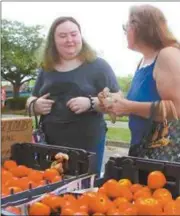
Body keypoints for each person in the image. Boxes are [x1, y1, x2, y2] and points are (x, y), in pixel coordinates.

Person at [26, 16, 121, 175]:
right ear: (53, 41)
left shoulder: (98, 66)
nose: (69, 40)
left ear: (80, 36)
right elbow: (31, 98)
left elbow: (118, 99)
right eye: (62, 36)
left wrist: (91, 103)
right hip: (50, 143)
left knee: (86, 188)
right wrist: (35, 104)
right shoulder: (46, 68)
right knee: (51, 187)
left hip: (88, 142)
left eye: (74, 34)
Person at [101, 4, 180, 151]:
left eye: (126, 27)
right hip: (141, 147)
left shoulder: (168, 54)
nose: (125, 32)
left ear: (140, 27)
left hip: (165, 153)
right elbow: (143, 102)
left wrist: (129, 107)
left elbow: (177, 108)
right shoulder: (143, 62)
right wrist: (118, 103)